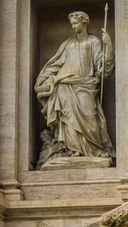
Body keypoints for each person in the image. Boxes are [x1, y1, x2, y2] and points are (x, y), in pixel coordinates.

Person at [35, 11, 115, 167]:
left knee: (89, 116)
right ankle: (71, 149)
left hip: (86, 85)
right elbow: (55, 64)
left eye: (76, 23)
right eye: (71, 24)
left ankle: (91, 149)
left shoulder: (93, 42)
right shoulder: (67, 44)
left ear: (84, 22)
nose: (73, 26)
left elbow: (103, 68)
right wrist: (43, 80)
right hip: (65, 85)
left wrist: (109, 46)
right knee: (67, 117)